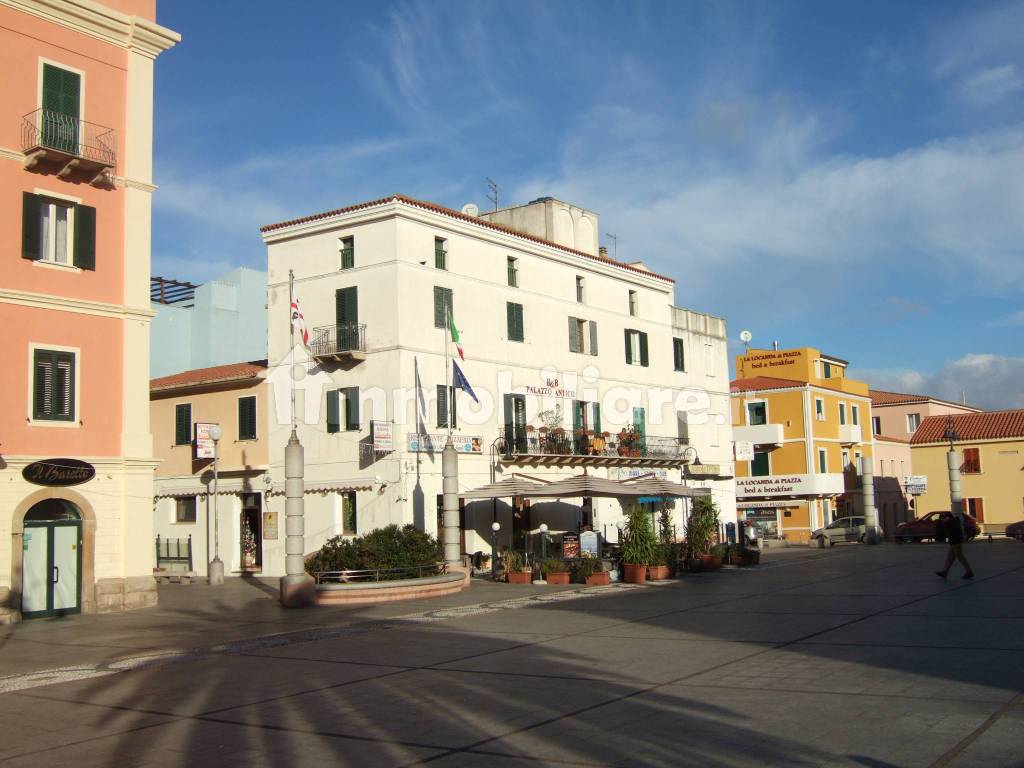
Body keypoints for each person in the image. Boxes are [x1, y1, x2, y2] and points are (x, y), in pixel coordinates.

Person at [936, 511, 974, 580]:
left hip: (956, 542)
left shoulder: (951, 522)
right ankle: (945, 572)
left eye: (943, 518)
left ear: (947, 518)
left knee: (960, 556)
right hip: (954, 541)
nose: (942, 520)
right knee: (950, 557)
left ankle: (969, 571)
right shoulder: (954, 521)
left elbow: (946, 530)